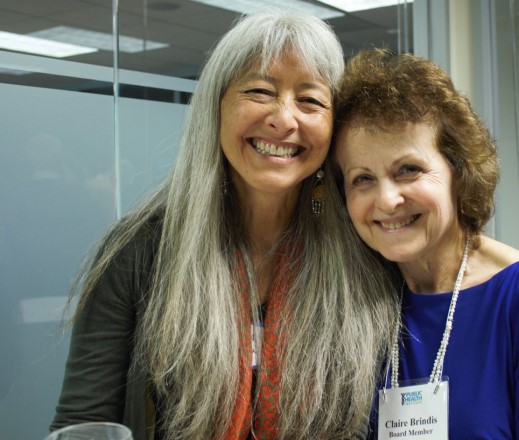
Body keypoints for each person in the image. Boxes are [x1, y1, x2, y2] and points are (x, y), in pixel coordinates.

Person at [51, 12, 400, 440]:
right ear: (216, 107)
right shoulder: (137, 251)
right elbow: (82, 425)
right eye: (259, 91)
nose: (284, 119)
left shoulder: (363, 247)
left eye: (310, 100)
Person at [333, 47, 519, 439]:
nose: (386, 200)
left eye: (408, 170)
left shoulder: (511, 298)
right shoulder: (353, 300)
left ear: (459, 171)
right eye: (362, 178)